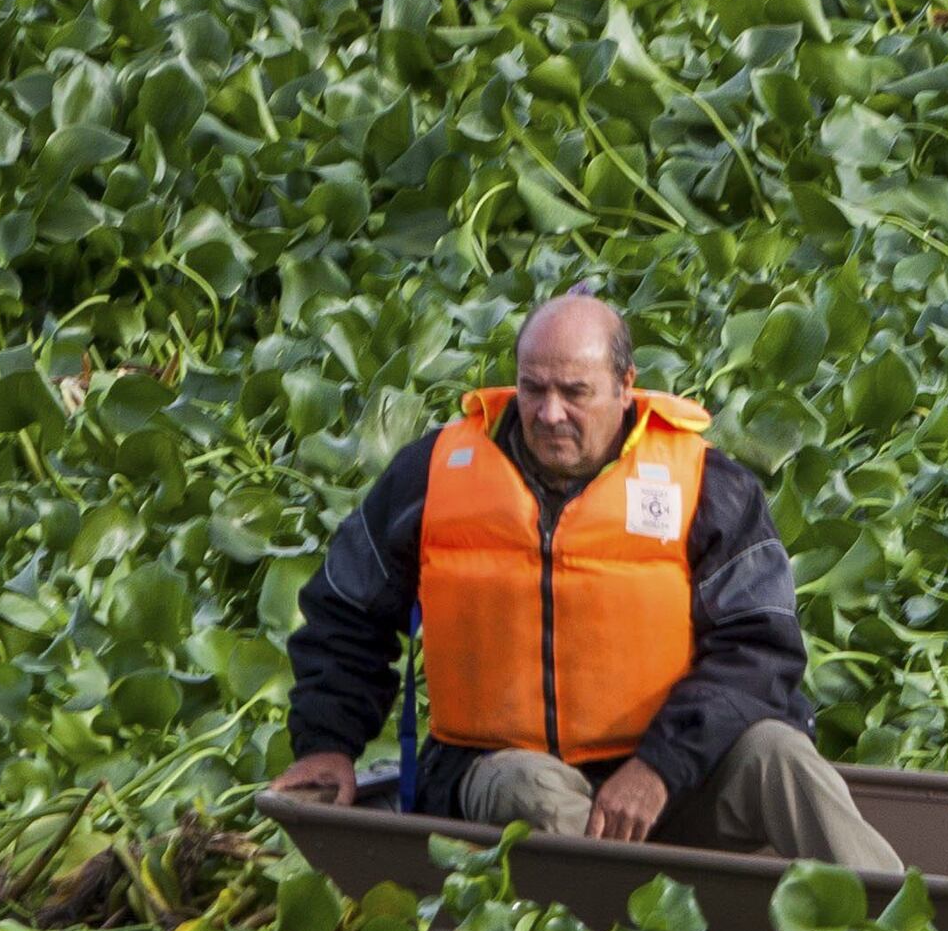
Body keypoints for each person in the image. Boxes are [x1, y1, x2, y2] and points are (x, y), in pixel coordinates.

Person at [273, 291, 905, 876]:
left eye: (575, 392)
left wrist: (657, 767)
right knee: (536, 791)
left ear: (625, 387)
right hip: (494, 770)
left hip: (676, 773)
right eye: (533, 390)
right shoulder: (433, 473)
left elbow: (760, 654)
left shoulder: (712, 488)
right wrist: (328, 743)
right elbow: (344, 613)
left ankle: (901, 924)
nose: (550, 414)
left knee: (782, 756)